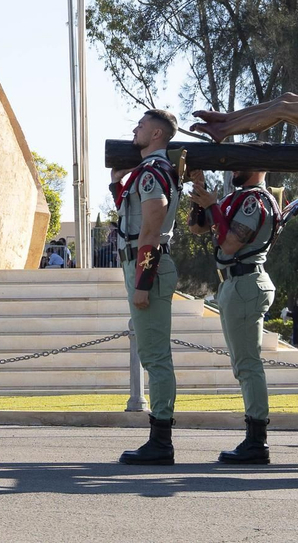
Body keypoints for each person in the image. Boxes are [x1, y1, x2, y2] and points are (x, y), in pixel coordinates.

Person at [188, 167, 279, 464]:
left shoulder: (254, 200)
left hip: (245, 280)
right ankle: (255, 437)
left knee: (247, 364)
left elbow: (230, 243)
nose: (233, 170)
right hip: (235, 281)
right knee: (243, 364)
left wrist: (213, 205)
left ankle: (257, 440)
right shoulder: (237, 198)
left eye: (241, 164)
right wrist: (200, 194)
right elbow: (197, 228)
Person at [115, 109, 182, 465]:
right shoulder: (151, 172)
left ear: (157, 135)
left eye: (141, 126)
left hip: (148, 267)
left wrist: (142, 281)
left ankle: (161, 441)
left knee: (155, 358)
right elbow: (137, 219)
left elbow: (152, 229)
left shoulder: (152, 173)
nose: (135, 130)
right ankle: (159, 438)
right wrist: (116, 185)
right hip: (146, 265)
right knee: (154, 356)